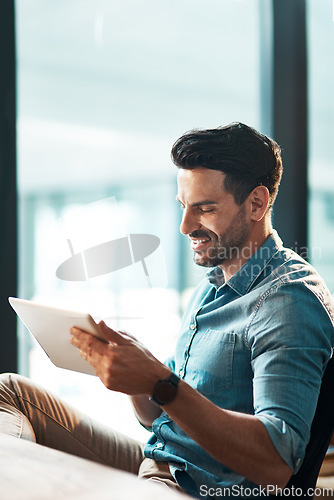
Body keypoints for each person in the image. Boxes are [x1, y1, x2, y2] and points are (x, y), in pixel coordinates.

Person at [1, 122, 334, 499]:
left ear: (256, 203)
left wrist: (161, 383)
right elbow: (159, 416)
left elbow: (276, 463)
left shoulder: (288, 301)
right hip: (159, 463)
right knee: (10, 391)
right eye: (183, 206)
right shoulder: (212, 286)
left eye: (204, 209)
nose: (185, 226)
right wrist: (139, 375)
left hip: (196, 488)